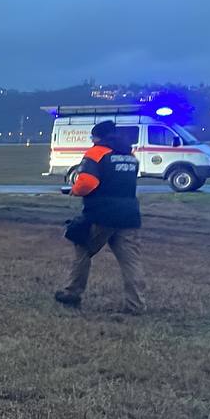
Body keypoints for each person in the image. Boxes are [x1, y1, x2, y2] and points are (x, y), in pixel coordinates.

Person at [55, 120, 145, 313]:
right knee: (131, 260)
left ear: (97, 137)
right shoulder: (129, 155)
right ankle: (136, 304)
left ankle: (73, 293)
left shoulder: (95, 153)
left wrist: (75, 190)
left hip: (101, 214)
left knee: (83, 249)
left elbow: (87, 183)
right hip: (130, 214)